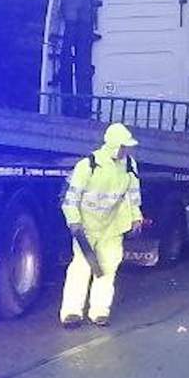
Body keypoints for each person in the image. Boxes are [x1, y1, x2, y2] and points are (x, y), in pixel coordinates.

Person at [59, 122, 147, 327]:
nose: (126, 149)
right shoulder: (88, 165)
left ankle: (100, 311)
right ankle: (72, 312)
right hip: (86, 226)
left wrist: (136, 217)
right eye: (123, 146)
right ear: (114, 144)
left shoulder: (129, 165)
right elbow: (71, 199)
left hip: (112, 226)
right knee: (81, 266)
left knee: (108, 268)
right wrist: (74, 222)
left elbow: (133, 195)